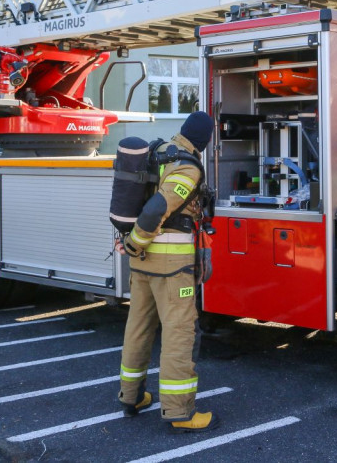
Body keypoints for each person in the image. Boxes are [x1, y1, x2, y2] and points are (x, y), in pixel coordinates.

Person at [116, 110, 217, 433]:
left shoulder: (159, 151)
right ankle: (179, 412)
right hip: (171, 267)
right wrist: (135, 242)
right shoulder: (187, 166)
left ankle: (132, 397)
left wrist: (134, 247)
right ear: (205, 139)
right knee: (179, 334)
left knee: (138, 328)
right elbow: (158, 207)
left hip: (142, 264)